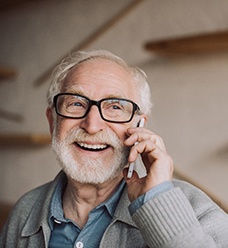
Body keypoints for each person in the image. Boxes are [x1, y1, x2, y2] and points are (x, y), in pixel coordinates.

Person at [1, 50, 228, 248]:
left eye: (115, 107)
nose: (92, 125)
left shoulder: (197, 210)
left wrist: (158, 206)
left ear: (139, 127)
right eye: (76, 103)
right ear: (53, 122)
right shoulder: (25, 211)